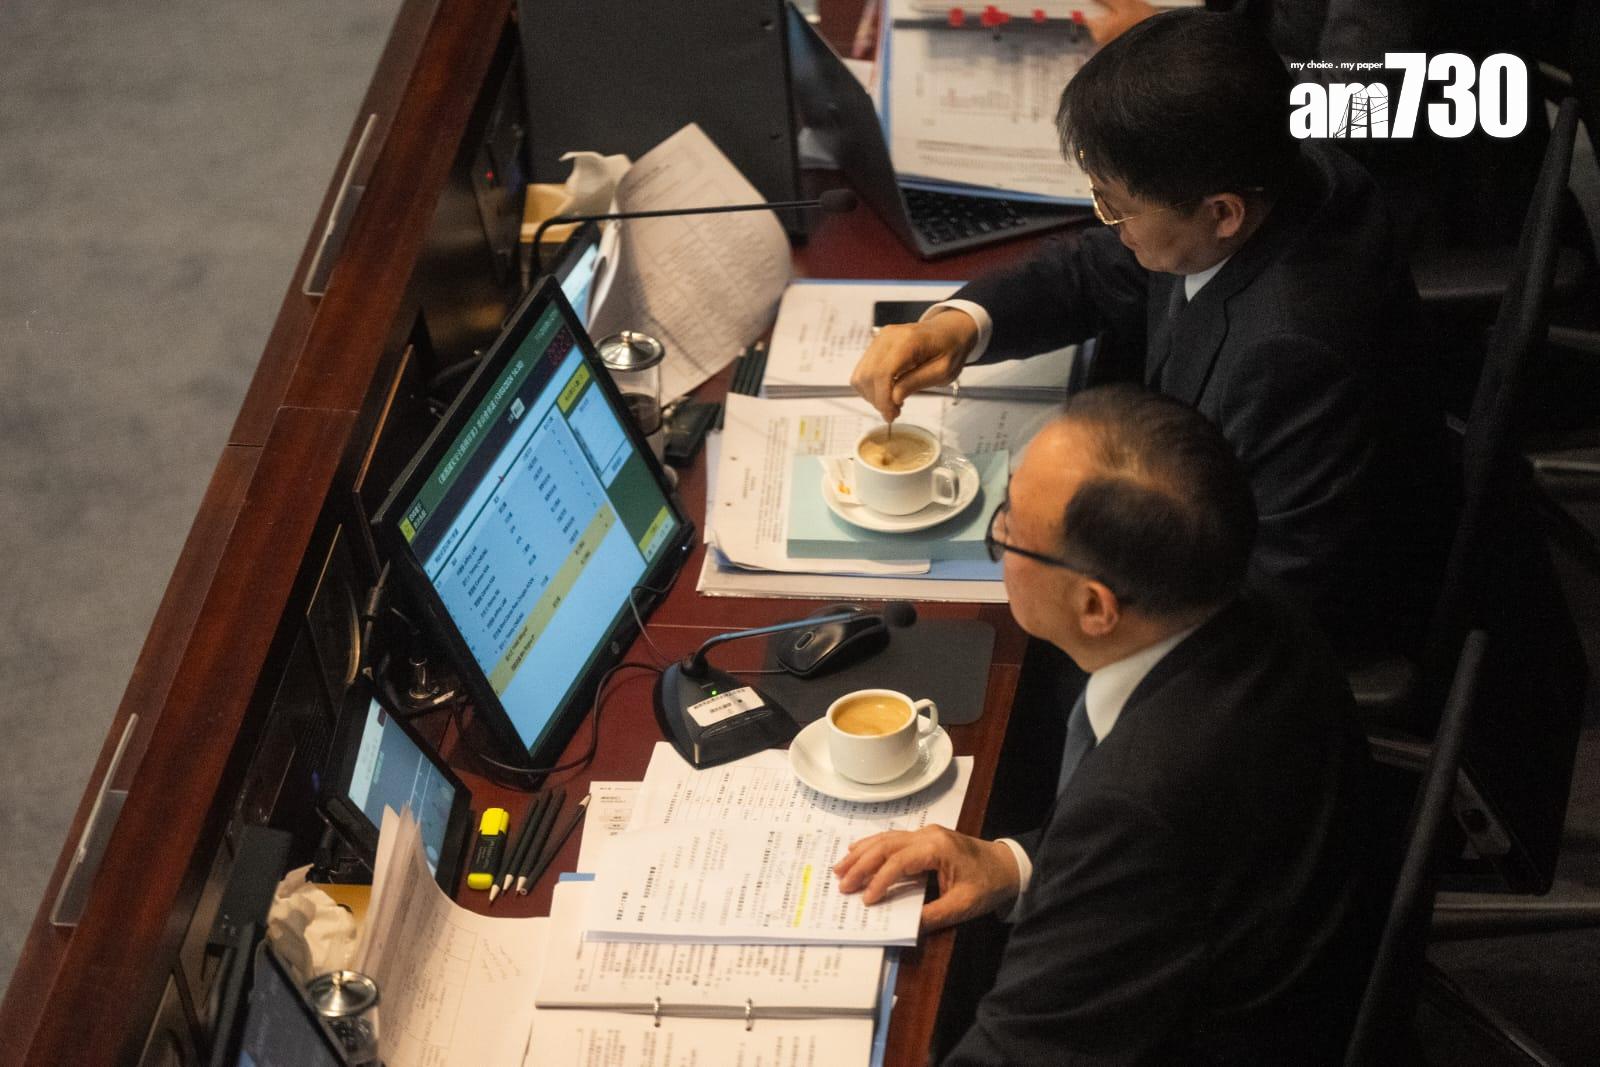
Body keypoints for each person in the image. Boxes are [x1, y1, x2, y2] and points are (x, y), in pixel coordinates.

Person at [851, 9, 1451, 656]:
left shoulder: (1289, 353)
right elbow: (1100, 269)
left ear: (1223, 213)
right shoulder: (1264, 166)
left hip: (1286, 629)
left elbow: (1274, 589)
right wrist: (957, 326)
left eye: (1116, 207)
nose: (1107, 223)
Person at [834, 386, 1384, 1064]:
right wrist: (1014, 863)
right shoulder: (1245, 599)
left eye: (1010, 529)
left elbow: (1021, 1051)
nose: (997, 537)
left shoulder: (1136, 806)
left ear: (1095, 607)